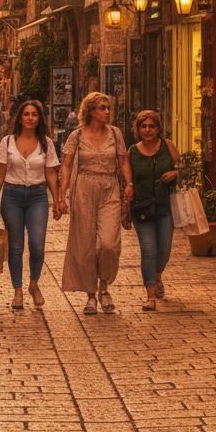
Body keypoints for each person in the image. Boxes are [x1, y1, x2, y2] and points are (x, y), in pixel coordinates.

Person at [58, 92, 134, 315]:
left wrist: (129, 184)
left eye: (108, 108)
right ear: (91, 111)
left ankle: (104, 286)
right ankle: (91, 294)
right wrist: (61, 195)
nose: (108, 111)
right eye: (103, 108)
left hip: (109, 188)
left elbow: (122, 159)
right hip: (83, 189)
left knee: (109, 243)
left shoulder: (115, 133)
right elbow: (66, 165)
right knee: (85, 244)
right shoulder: (77, 135)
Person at [0, 100, 61, 310]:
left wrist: (56, 200)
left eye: (35, 115)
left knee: (37, 245)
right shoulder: (8, 142)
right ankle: (18, 291)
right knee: (16, 247)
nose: (30, 118)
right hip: (12, 196)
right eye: (27, 114)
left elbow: (50, 173)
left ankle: (34, 284)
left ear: (39, 119)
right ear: (20, 118)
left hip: (38, 196)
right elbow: (0, 174)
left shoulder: (46, 143)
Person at [128, 110, 179, 311]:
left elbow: (182, 169)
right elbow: (128, 177)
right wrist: (129, 187)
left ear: (158, 128)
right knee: (148, 251)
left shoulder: (168, 146)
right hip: (142, 209)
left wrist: (175, 173)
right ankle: (150, 296)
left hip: (165, 207)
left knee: (164, 251)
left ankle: (158, 276)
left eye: (151, 126)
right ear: (138, 129)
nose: (147, 130)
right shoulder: (132, 151)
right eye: (143, 126)